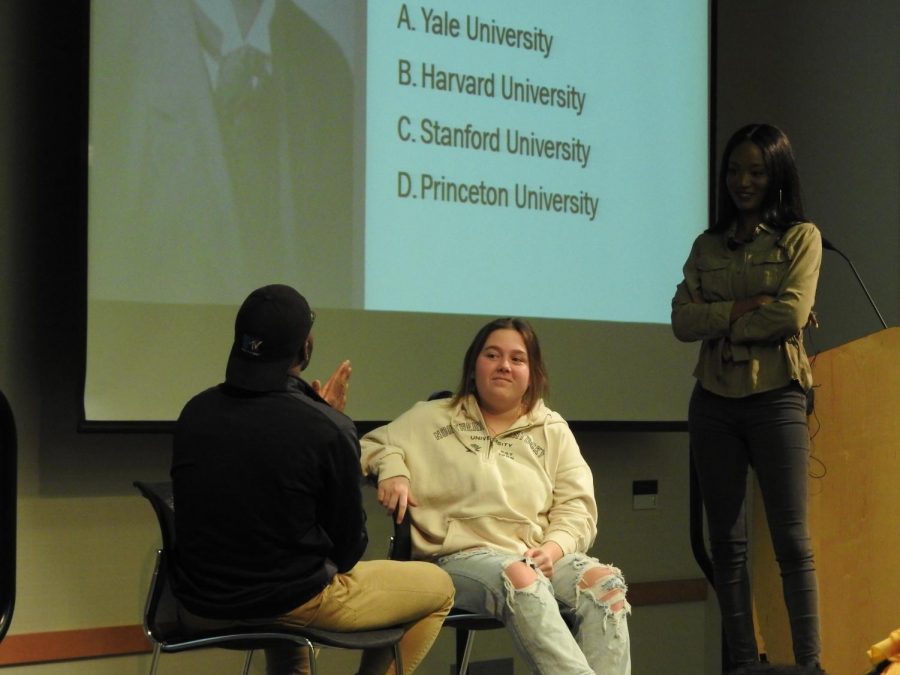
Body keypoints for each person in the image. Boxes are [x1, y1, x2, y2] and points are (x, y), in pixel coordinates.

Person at [171, 284, 454, 675]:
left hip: (199, 606)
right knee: (439, 588)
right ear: (304, 349)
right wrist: (329, 424)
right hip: (291, 603)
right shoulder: (325, 428)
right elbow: (348, 551)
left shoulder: (194, 412)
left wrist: (320, 417)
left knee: (292, 584)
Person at [361, 317, 632, 675]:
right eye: (492, 355)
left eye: (517, 359)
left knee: (604, 587)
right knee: (520, 578)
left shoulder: (552, 428)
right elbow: (369, 445)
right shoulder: (432, 417)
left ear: (532, 374)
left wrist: (552, 550)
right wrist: (393, 469)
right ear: (474, 367)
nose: (504, 365)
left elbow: (577, 510)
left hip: (535, 553)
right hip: (458, 557)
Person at [671, 124, 824, 673]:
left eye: (756, 171)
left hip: (775, 396)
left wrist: (725, 317)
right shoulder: (706, 245)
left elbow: (791, 312)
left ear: (777, 174)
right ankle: (743, 665)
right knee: (727, 547)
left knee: (792, 542)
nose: (743, 181)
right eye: (735, 170)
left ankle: (809, 665)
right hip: (713, 400)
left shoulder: (800, 237)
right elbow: (681, 320)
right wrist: (742, 308)